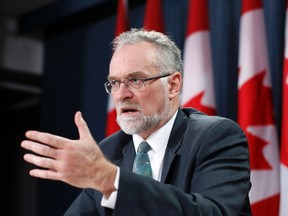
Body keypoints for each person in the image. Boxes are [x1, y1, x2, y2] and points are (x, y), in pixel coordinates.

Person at [21, 28, 251, 216]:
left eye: (136, 80)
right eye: (115, 83)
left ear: (173, 85)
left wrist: (109, 179)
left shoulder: (215, 137)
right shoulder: (109, 151)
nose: (121, 94)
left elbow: (211, 213)